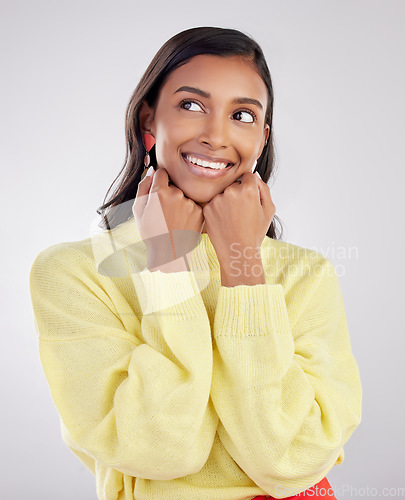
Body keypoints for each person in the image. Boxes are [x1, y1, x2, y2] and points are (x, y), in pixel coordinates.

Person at [29, 27, 362, 500]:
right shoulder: (75, 274)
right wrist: (166, 264)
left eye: (242, 115)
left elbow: (291, 460)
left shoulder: (305, 275)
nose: (215, 136)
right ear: (149, 120)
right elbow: (160, 450)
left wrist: (242, 266)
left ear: (262, 140)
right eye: (191, 105)